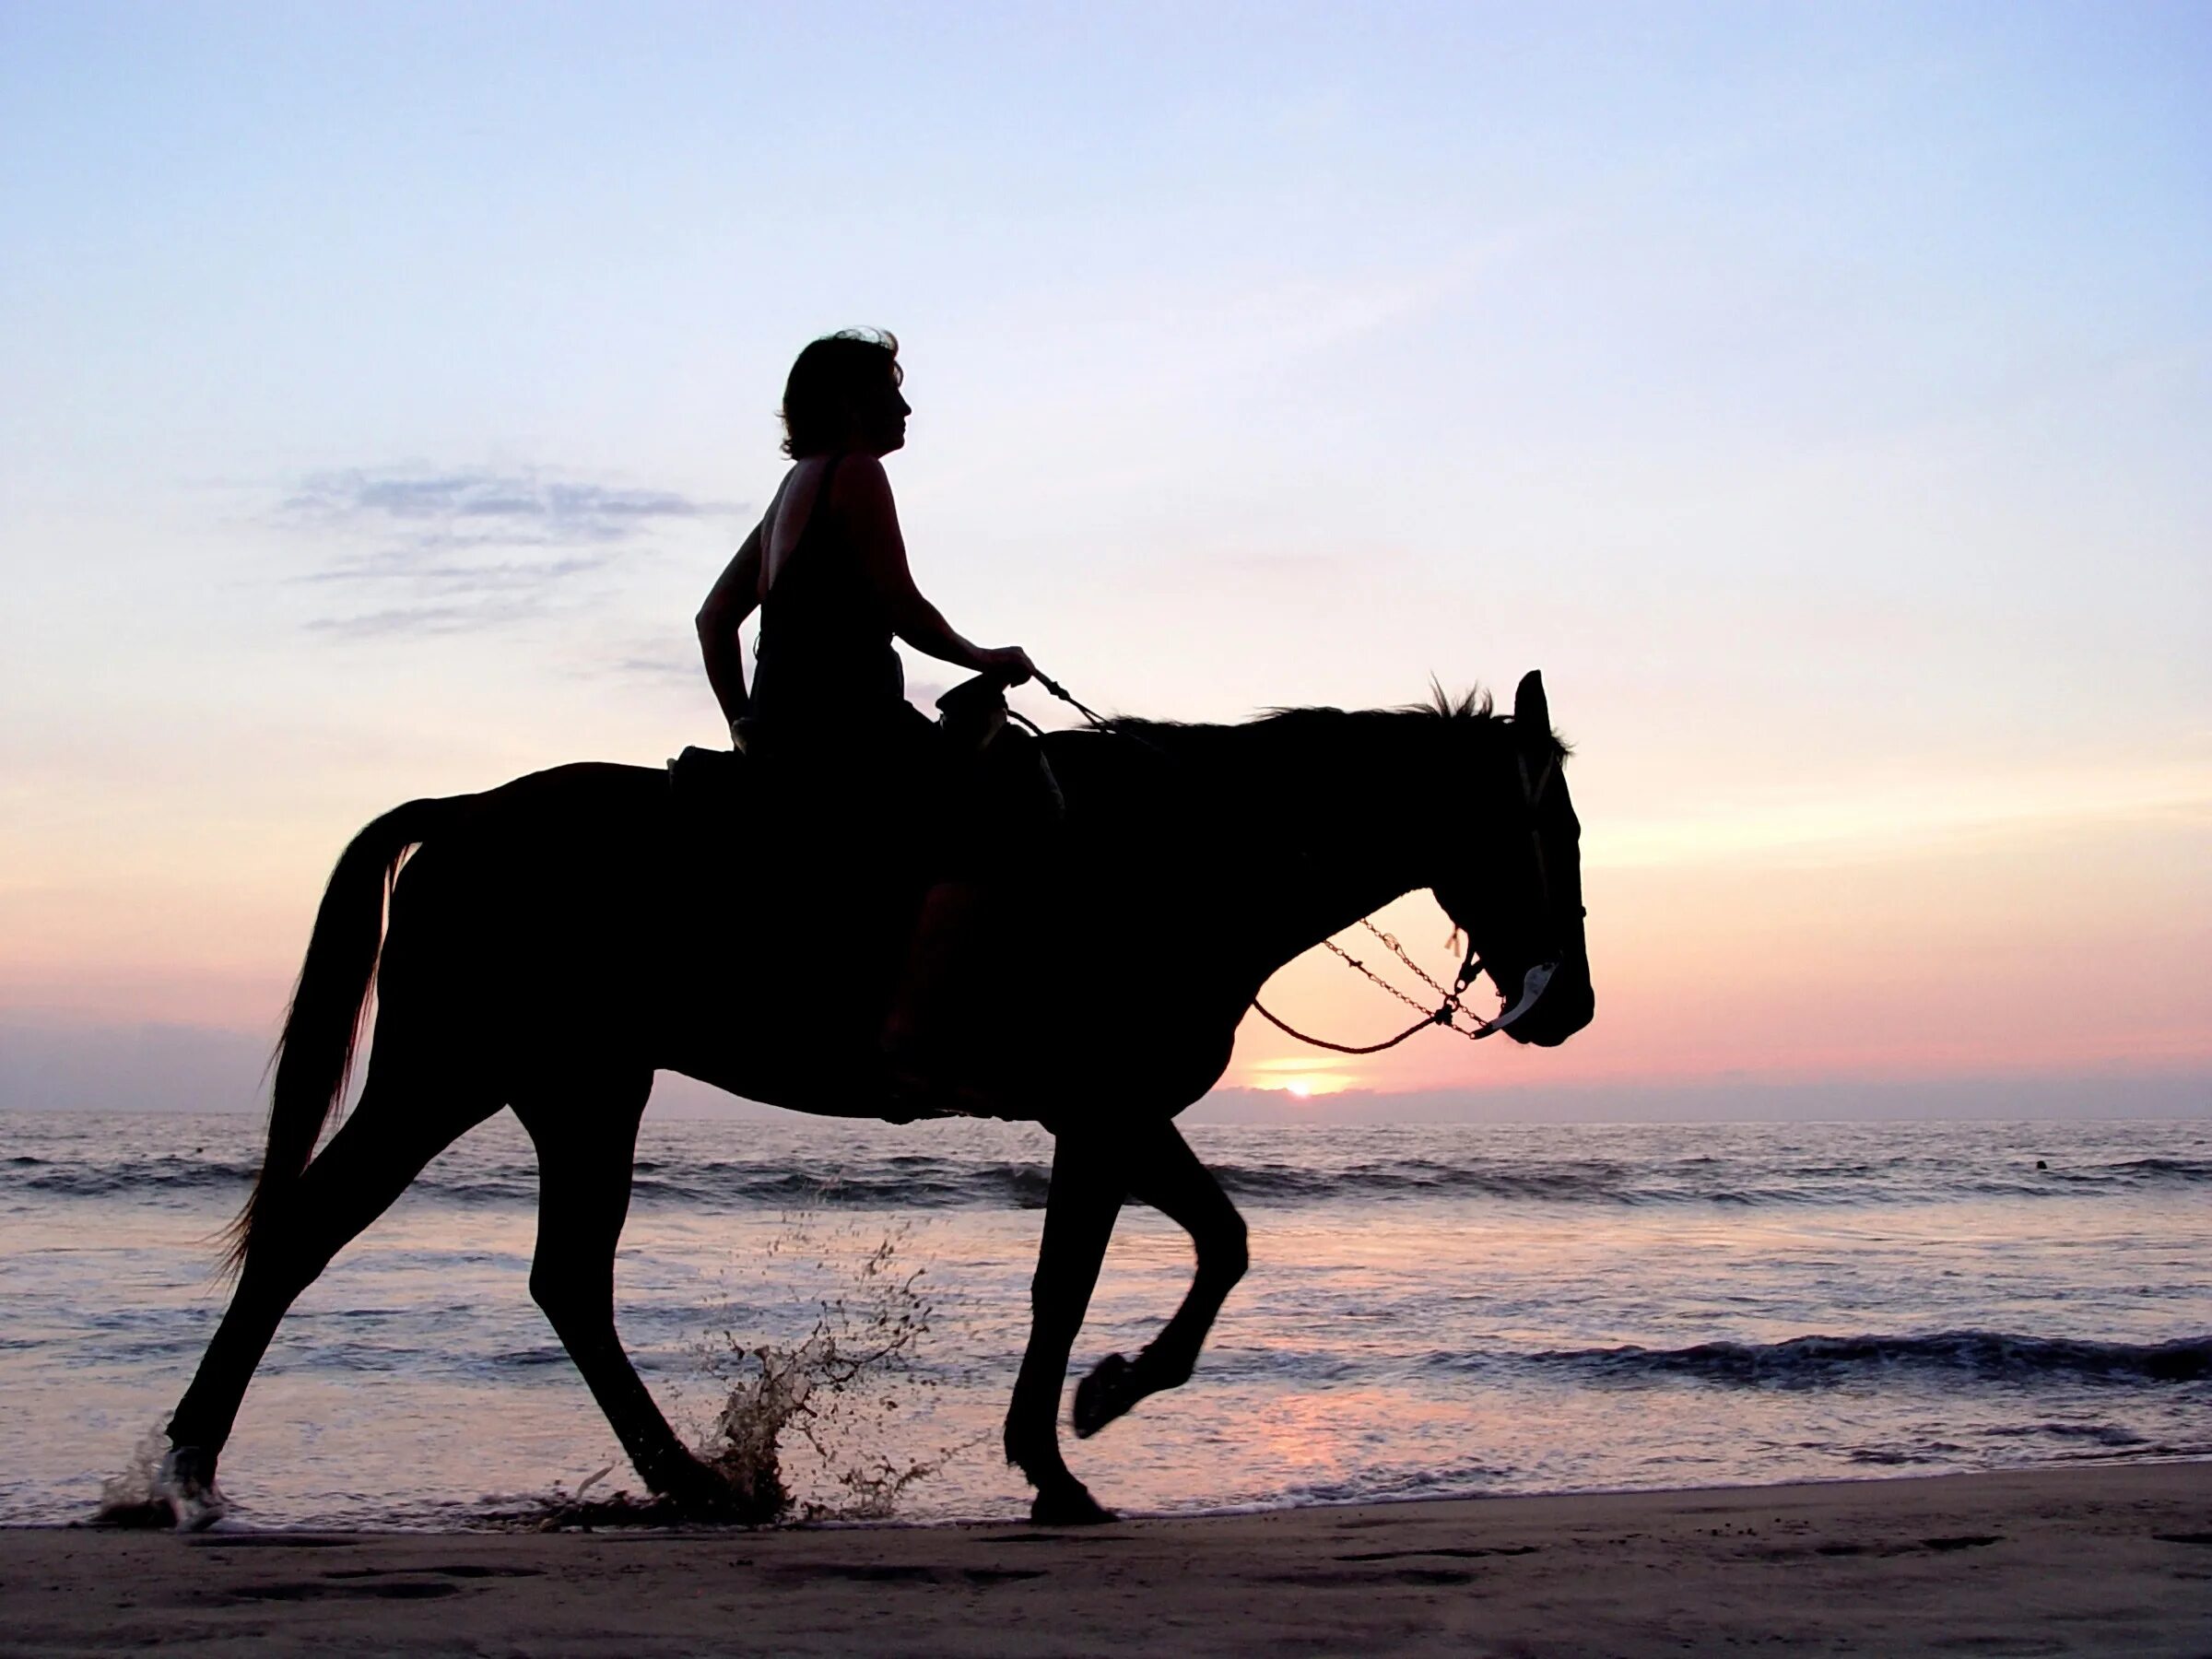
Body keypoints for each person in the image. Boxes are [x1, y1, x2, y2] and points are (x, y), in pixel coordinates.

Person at [695, 329, 1037, 1113]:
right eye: (892, 390)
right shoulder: (855, 473)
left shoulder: (792, 490)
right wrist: (984, 658)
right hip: (850, 723)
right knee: (1004, 805)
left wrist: (747, 729)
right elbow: (901, 606)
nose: (907, 406)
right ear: (851, 405)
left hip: (790, 727)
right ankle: (912, 1035)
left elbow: (715, 621)